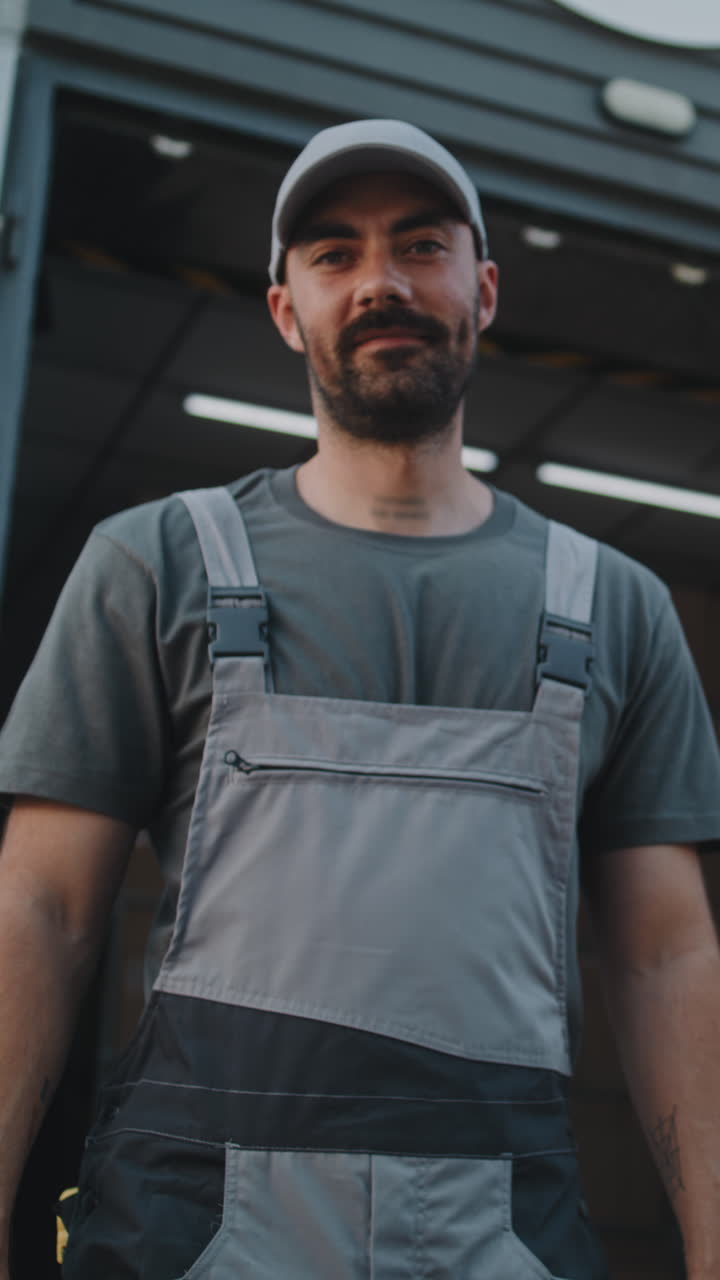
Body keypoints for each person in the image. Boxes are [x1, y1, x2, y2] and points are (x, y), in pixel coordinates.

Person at [0, 118, 719, 1280]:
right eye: (334, 254)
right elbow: (39, 910)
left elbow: (666, 954)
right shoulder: (158, 563)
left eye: (421, 245)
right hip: (192, 1240)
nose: (380, 282)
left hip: (506, 1243)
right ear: (287, 309)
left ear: (482, 289)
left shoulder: (616, 608)